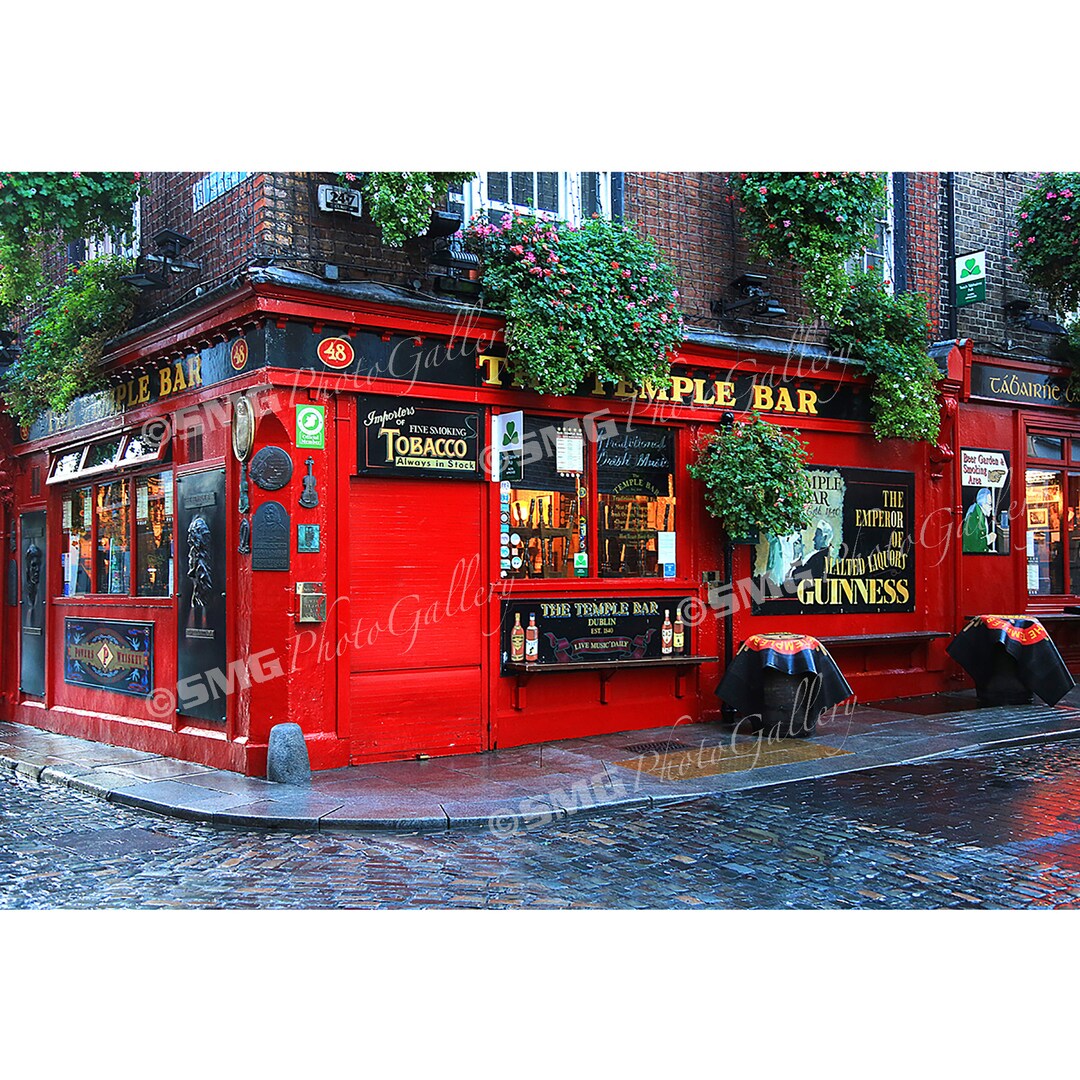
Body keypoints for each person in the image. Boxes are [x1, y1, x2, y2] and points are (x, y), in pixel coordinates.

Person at [963, 487, 997, 553]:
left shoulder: (981, 515)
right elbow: (974, 545)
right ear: (983, 503)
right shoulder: (974, 517)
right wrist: (989, 539)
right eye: (989, 504)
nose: (991, 508)